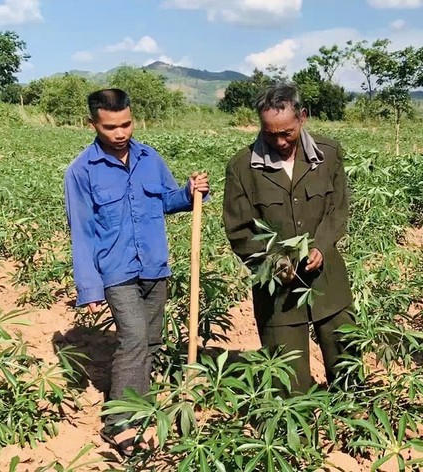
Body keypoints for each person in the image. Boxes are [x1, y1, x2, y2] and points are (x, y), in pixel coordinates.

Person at [64, 89, 209, 457]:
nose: (120, 132)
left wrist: (190, 191)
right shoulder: (81, 171)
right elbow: (81, 232)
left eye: (126, 123)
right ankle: (121, 423)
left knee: (153, 340)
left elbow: (166, 201)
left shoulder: (149, 158)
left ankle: (146, 411)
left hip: (154, 266)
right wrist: (90, 288)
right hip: (116, 270)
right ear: (92, 124)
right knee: (133, 339)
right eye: (111, 126)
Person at [223, 83, 354, 394]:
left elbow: (338, 210)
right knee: (288, 382)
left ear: (302, 118)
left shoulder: (328, 154)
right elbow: (239, 229)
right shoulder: (242, 167)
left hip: (328, 281)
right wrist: (273, 261)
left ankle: (355, 427)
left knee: (347, 365)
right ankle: (297, 431)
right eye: (271, 134)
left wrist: (321, 245)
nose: (280, 141)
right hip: (277, 290)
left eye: (287, 133)